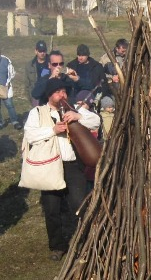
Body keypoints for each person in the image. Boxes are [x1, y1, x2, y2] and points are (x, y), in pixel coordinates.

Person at [23, 78, 100, 261]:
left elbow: (96, 121)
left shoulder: (73, 109)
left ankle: (86, 242)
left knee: (80, 204)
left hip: (72, 165)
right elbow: (30, 134)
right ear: (49, 95)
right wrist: (52, 130)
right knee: (52, 208)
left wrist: (79, 116)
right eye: (58, 92)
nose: (62, 95)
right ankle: (57, 246)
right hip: (49, 165)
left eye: (64, 91)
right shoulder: (37, 112)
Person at [0, 48, 23, 130]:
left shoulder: (6, 61)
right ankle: (1, 123)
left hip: (6, 88)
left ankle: (15, 122)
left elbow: (12, 73)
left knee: (10, 105)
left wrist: (7, 83)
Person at [25, 40, 50, 107]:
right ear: (36, 51)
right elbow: (27, 84)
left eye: (44, 51)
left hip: (49, 96)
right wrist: (31, 98)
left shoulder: (52, 63)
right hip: (36, 97)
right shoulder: (30, 65)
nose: (42, 53)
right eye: (40, 51)